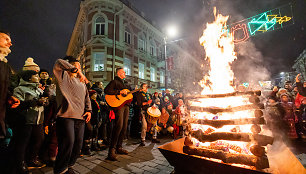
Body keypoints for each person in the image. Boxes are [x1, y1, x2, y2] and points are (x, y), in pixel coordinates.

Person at [53, 56, 92, 174]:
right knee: (68, 142)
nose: (80, 68)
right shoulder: (63, 77)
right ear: (69, 65)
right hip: (66, 116)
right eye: (77, 65)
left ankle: (69, 165)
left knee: (78, 144)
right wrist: (75, 70)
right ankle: (60, 169)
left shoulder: (81, 82)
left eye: (80, 67)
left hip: (80, 117)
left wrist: (89, 110)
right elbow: (58, 62)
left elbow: (87, 97)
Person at [10, 70, 48, 173]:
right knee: (23, 143)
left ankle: (32, 159)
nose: (38, 77)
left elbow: (42, 100)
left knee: (39, 139)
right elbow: (17, 105)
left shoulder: (38, 89)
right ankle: (20, 164)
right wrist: (36, 102)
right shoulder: (19, 89)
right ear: (29, 78)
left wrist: (45, 101)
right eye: (36, 75)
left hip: (38, 119)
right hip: (25, 120)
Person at [104, 68, 131, 161]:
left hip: (126, 106)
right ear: (119, 73)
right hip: (119, 106)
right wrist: (119, 92)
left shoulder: (126, 83)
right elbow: (106, 91)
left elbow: (129, 95)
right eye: (123, 72)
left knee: (124, 127)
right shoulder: (114, 82)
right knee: (118, 126)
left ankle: (119, 147)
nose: (125, 73)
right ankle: (111, 149)